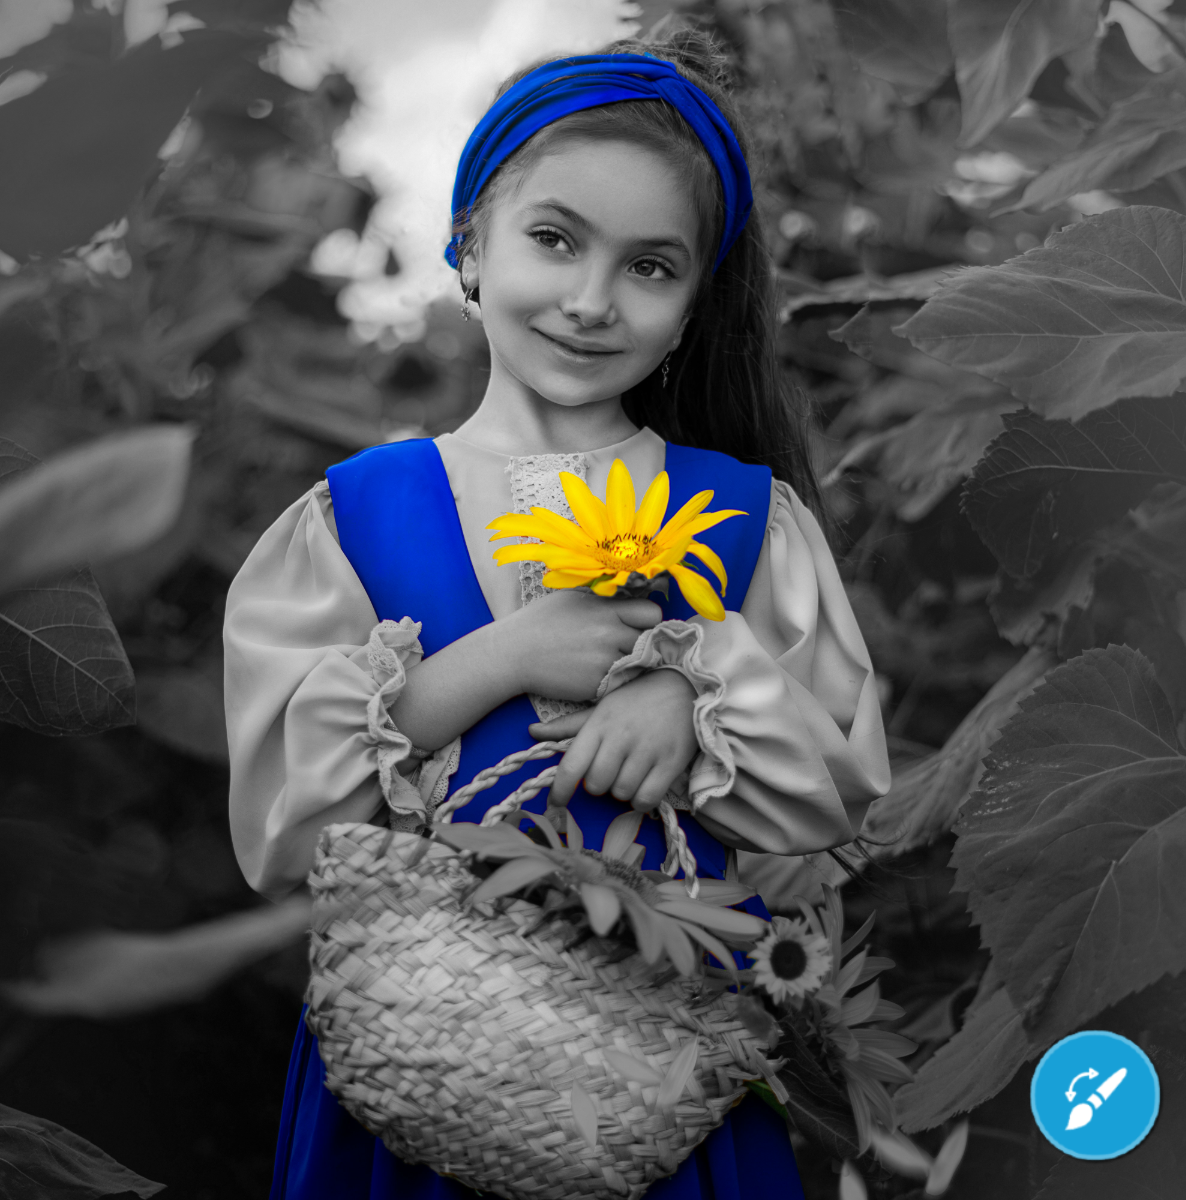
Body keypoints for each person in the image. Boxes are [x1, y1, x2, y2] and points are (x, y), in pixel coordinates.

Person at [224, 29, 890, 1200]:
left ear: (692, 307)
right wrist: (495, 660)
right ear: (469, 244)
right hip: (412, 1074)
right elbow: (280, 832)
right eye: (553, 240)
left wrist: (697, 688)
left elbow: (834, 794)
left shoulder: (745, 520)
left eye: (649, 267)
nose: (591, 301)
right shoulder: (357, 515)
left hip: (664, 1096)